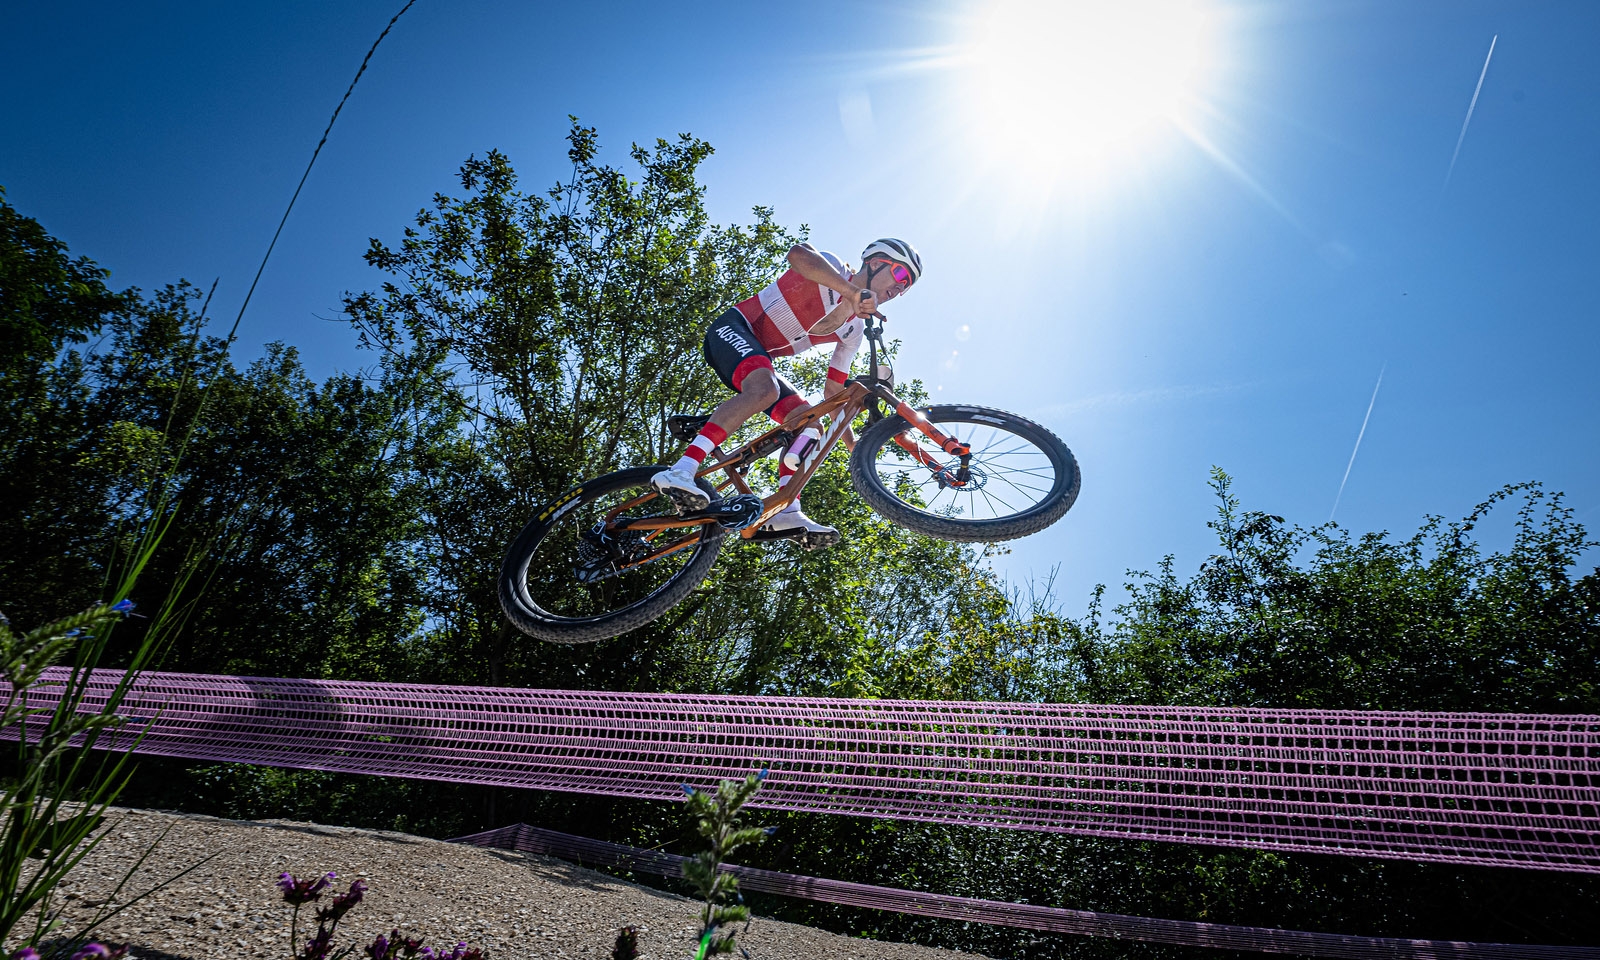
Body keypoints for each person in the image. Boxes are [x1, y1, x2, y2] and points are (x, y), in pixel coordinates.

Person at [651, 238, 923, 549]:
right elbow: (797, 255)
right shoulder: (832, 267)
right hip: (734, 329)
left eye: (907, 287)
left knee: (810, 424)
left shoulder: (853, 330)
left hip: (757, 360)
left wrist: (851, 443)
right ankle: (682, 469)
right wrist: (851, 293)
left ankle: (786, 511)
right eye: (901, 276)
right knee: (765, 388)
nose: (900, 289)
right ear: (876, 263)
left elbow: (833, 390)